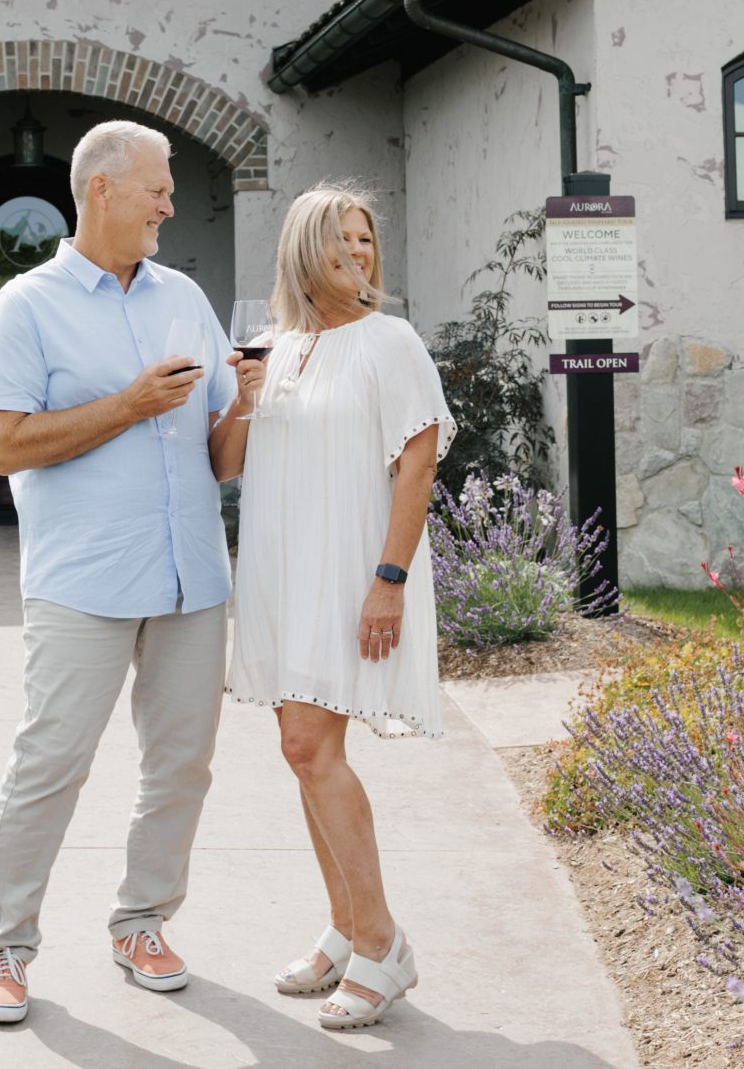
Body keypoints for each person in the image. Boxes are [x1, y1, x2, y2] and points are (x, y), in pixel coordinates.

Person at [0, 119, 264, 1025]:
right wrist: (130, 403)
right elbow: (3, 444)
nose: (171, 204)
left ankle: (142, 921)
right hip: (82, 580)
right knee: (51, 760)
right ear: (102, 189)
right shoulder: (27, 303)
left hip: (190, 581)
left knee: (183, 765)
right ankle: (4, 944)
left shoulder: (185, 298)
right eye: (158, 189)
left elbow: (219, 459)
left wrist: (245, 403)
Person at [223, 182, 454, 1031]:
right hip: (285, 576)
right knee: (301, 752)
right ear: (302, 250)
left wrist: (389, 578)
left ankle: (385, 944)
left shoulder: (391, 342)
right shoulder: (277, 348)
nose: (358, 252)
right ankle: (346, 927)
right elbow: (226, 465)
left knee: (308, 745)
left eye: (365, 240)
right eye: (340, 239)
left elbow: (417, 467)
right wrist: (244, 396)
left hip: (357, 574)